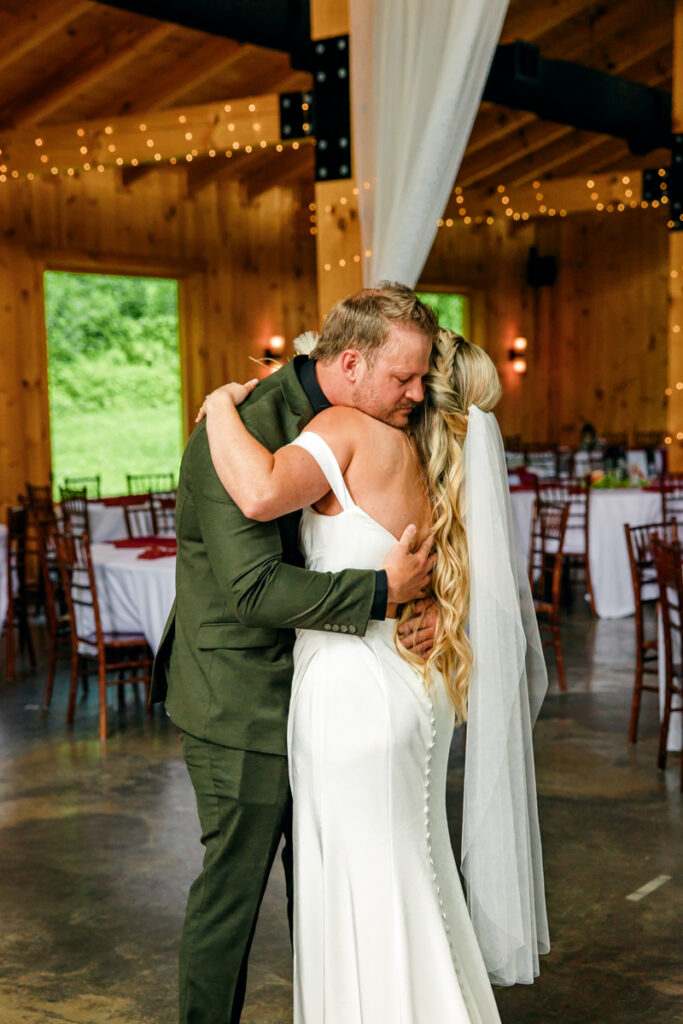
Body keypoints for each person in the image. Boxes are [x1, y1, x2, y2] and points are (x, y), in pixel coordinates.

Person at [199, 321, 550, 1021]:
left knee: (361, 887)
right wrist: (442, 611)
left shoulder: (346, 429)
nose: (408, 389)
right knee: (414, 870)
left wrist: (216, 408)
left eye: (414, 377)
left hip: (351, 692)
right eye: (403, 376)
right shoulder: (435, 460)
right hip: (414, 686)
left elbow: (260, 493)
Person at [151, 284, 442, 1024]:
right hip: (238, 697)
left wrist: (432, 601)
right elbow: (252, 589)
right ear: (350, 363)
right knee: (233, 897)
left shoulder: (377, 423)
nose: (417, 393)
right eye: (403, 377)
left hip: (331, 700)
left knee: (325, 887)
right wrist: (382, 593)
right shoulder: (239, 431)